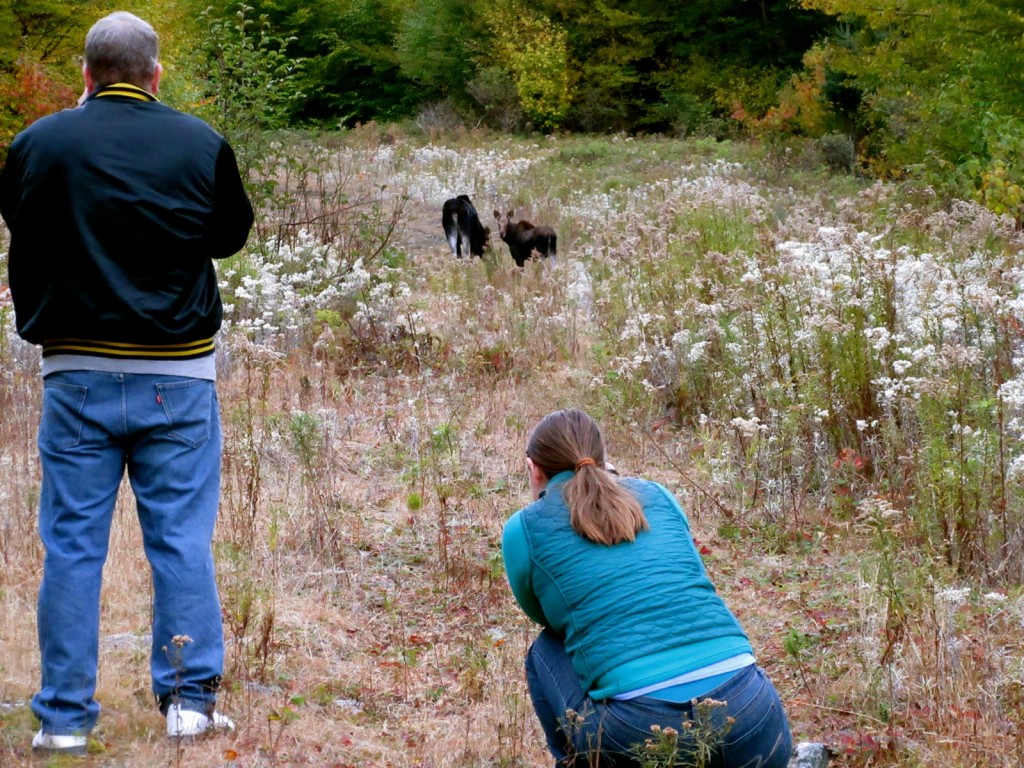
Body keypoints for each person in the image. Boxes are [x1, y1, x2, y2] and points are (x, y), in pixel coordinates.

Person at [0, 11, 254, 755]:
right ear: (155, 74)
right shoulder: (200, 143)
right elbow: (228, 238)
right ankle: (188, 704)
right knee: (180, 537)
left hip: (74, 369)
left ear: (85, 73)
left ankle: (64, 720)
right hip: (177, 373)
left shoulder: (38, 143)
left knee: (72, 545)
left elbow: (23, 215)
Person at [503, 409, 792, 767]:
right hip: (755, 713)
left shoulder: (524, 529)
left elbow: (544, 616)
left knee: (546, 649)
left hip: (637, 730)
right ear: (605, 459)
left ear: (534, 469)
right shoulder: (657, 494)